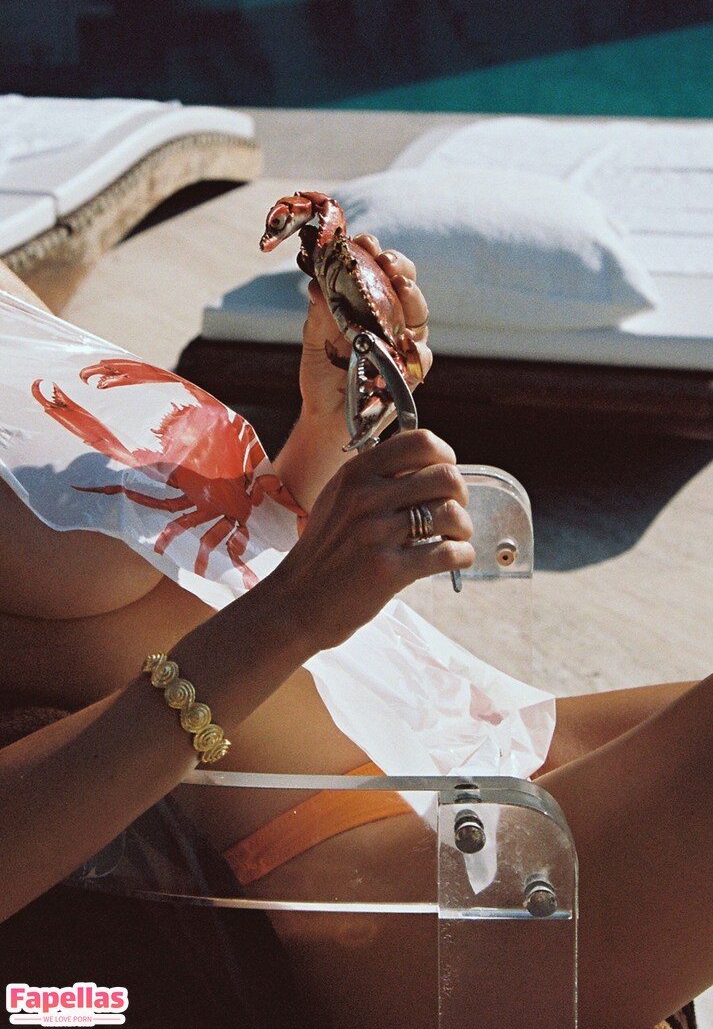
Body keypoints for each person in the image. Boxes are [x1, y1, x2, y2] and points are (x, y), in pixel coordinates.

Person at [0, 243, 708, 1029]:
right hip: (378, 883)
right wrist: (290, 615)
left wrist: (329, 423)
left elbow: (184, 554)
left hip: (484, 735)